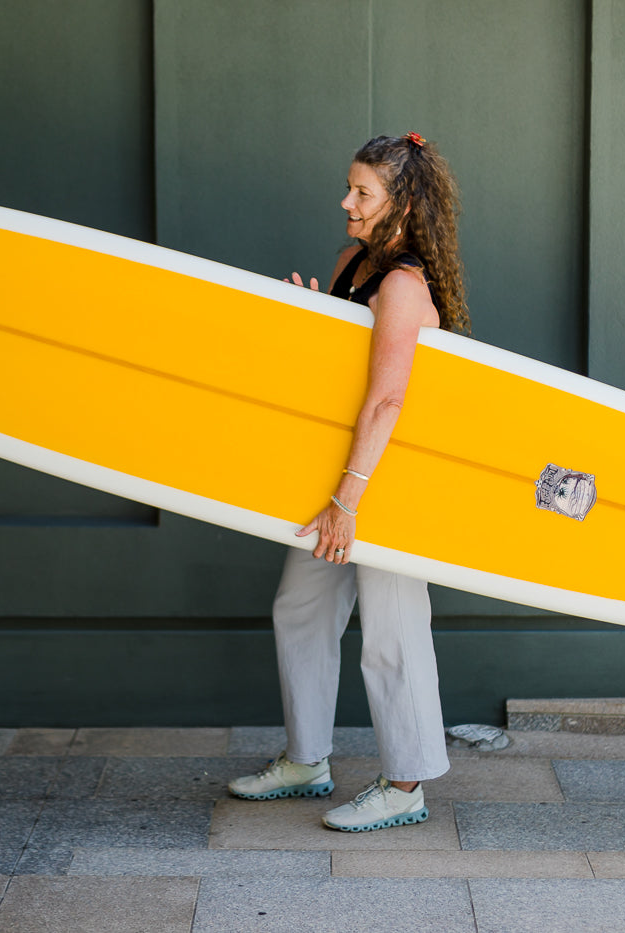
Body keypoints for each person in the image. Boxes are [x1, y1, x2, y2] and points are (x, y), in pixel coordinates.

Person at [227, 133, 470, 832]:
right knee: (299, 607)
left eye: (362, 192)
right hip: (344, 475)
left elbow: (388, 400)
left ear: (402, 204)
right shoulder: (351, 263)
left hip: (382, 483)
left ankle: (405, 786)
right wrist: (304, 320)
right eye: (349, 187)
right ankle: (307, 759)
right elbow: (339, 378)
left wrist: (346, 503)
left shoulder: (404, 285)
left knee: (393, 631)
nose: (347, 201)